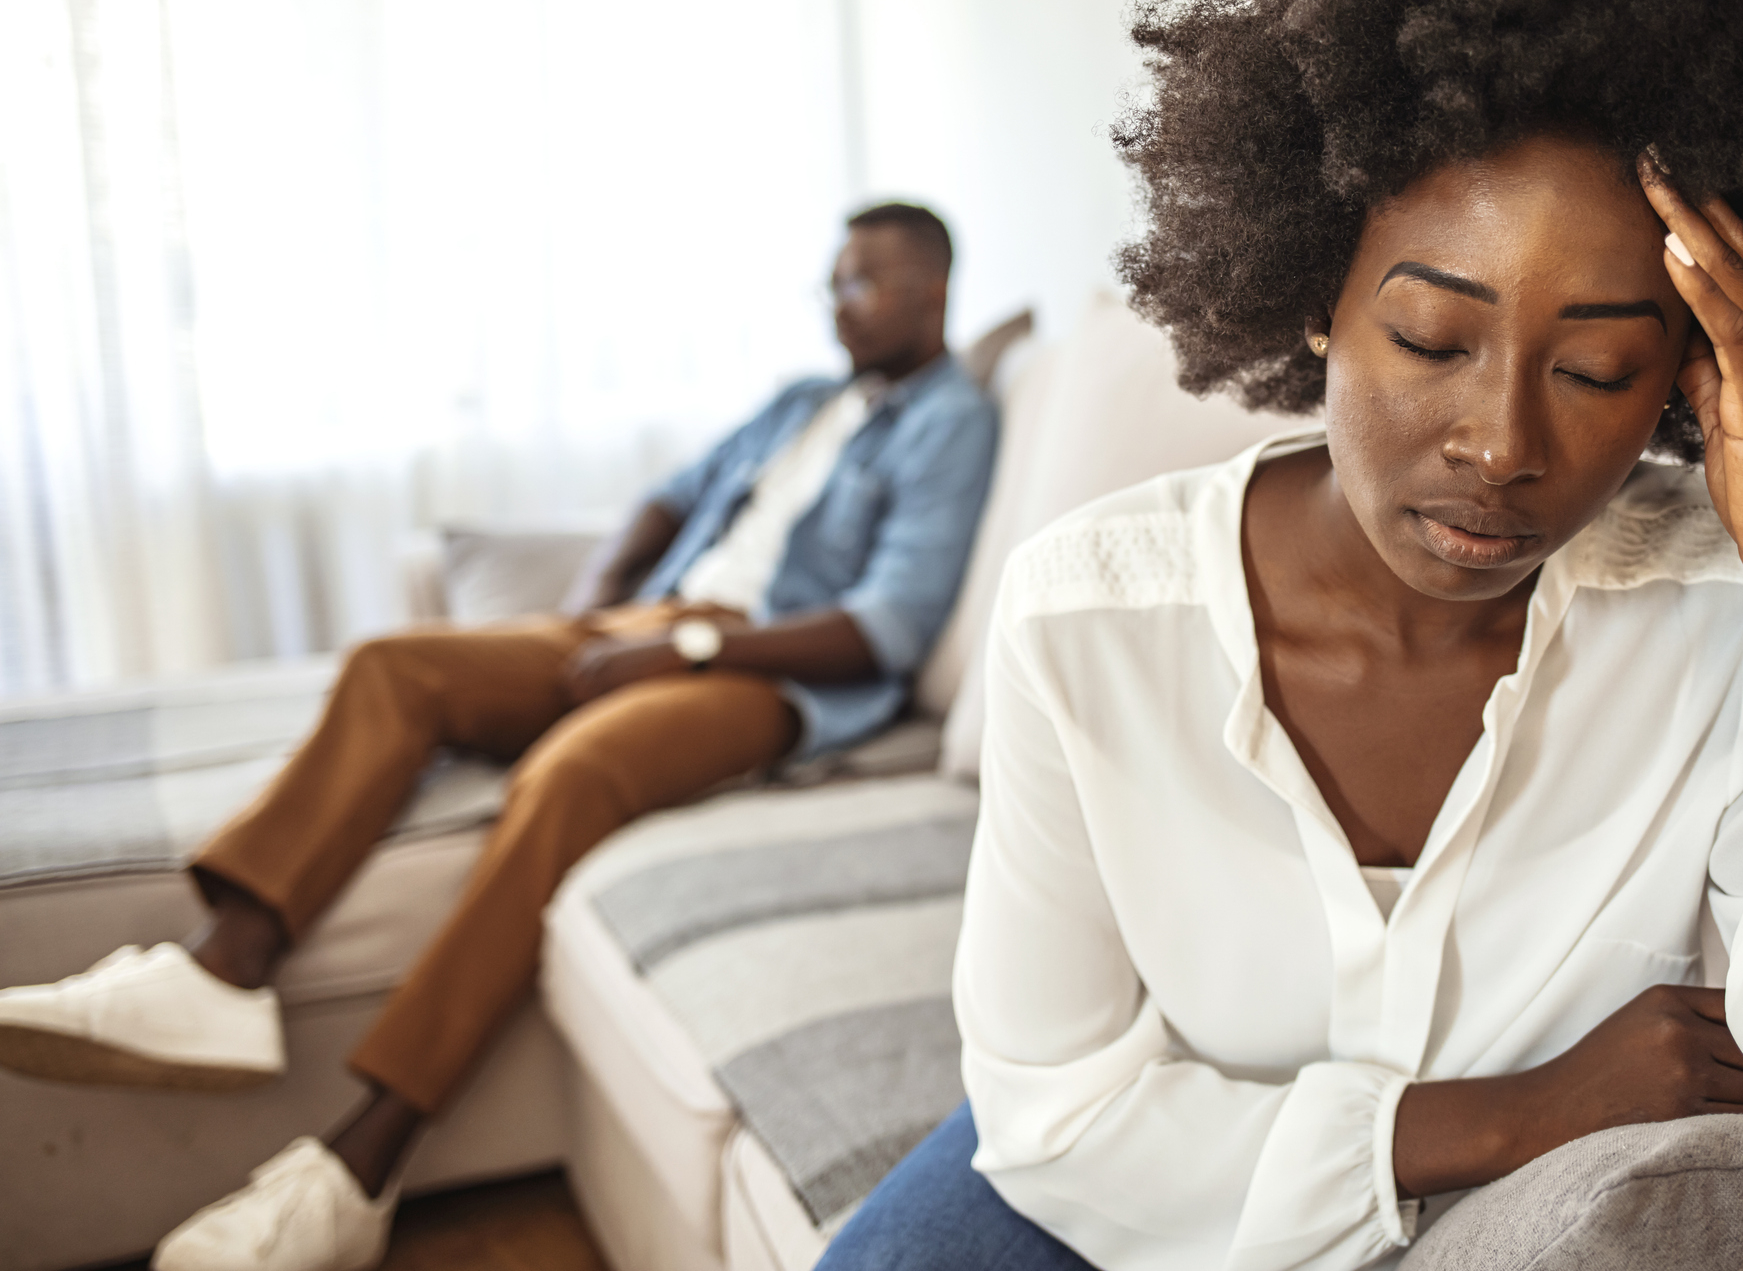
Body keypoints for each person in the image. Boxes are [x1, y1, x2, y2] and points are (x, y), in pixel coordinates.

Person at [816, 0, 1743, 1270]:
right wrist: (1506, 1111)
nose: (1502, 442)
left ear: (1681, 380)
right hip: (1170, 1154)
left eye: (1593, 367)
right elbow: (1057, 1110)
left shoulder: (1730, 616)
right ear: (1312, 301)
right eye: (1431, 340)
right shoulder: (1089, 613)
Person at [0, 202, 999, 1271]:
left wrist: (689, 652)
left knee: (573, 770)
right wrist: (602, 601)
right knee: (398, 664)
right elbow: (668, 500)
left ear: (932, 289)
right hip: (652, 625)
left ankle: (356, 1169)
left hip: (767, 674)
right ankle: (222, 971)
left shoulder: (954, 419)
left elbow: (888, 625)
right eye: (832, 282)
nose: (839, 304)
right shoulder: (804, 400)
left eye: (863, 282)